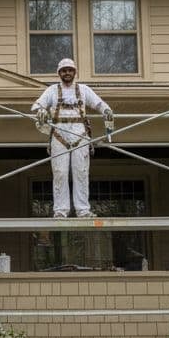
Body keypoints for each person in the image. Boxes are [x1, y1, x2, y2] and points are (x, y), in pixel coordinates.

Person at [31, 58, 114, 218]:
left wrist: (106, 111)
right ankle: (61, 211)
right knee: (60, 172)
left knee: (81, 172)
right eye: (63, 70)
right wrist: (41, 111)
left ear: (74, 72)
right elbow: (37, 104)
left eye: (70, 70)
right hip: (59, 134)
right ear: (59, 73)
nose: (67, 73)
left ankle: (83, 210)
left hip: (79, 134)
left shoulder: (84, 90)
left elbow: (99, 104)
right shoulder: (52, 90)